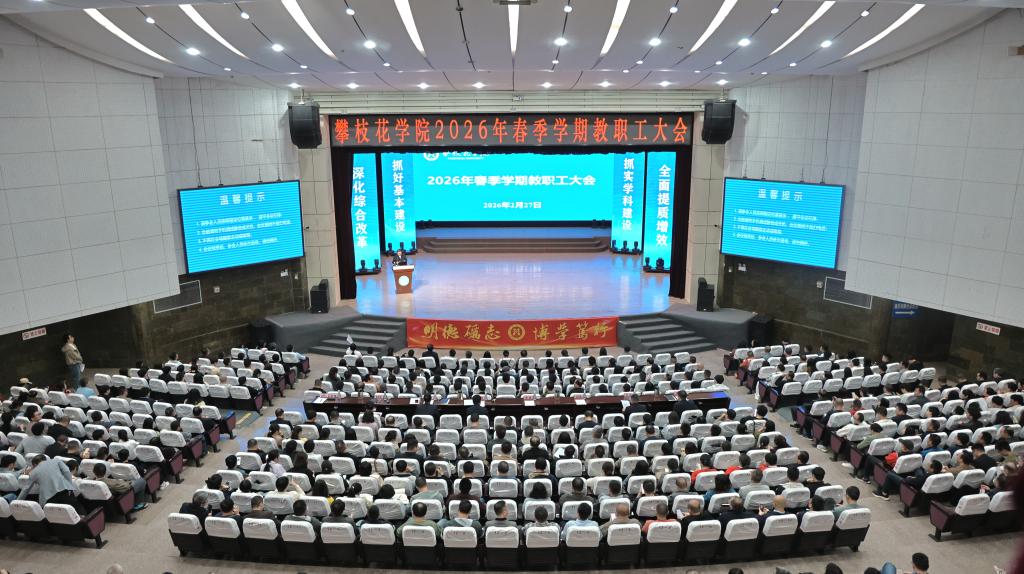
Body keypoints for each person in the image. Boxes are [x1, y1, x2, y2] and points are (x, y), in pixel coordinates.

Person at [17, 455, 83, 513]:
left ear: (34, 465)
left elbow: (25, 489)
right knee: (76, 511)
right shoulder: (56, 461)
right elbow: (67, 471)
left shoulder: (33, 473)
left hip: (50, 497)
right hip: (65, 491)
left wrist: (17, 502)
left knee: (54, 516)